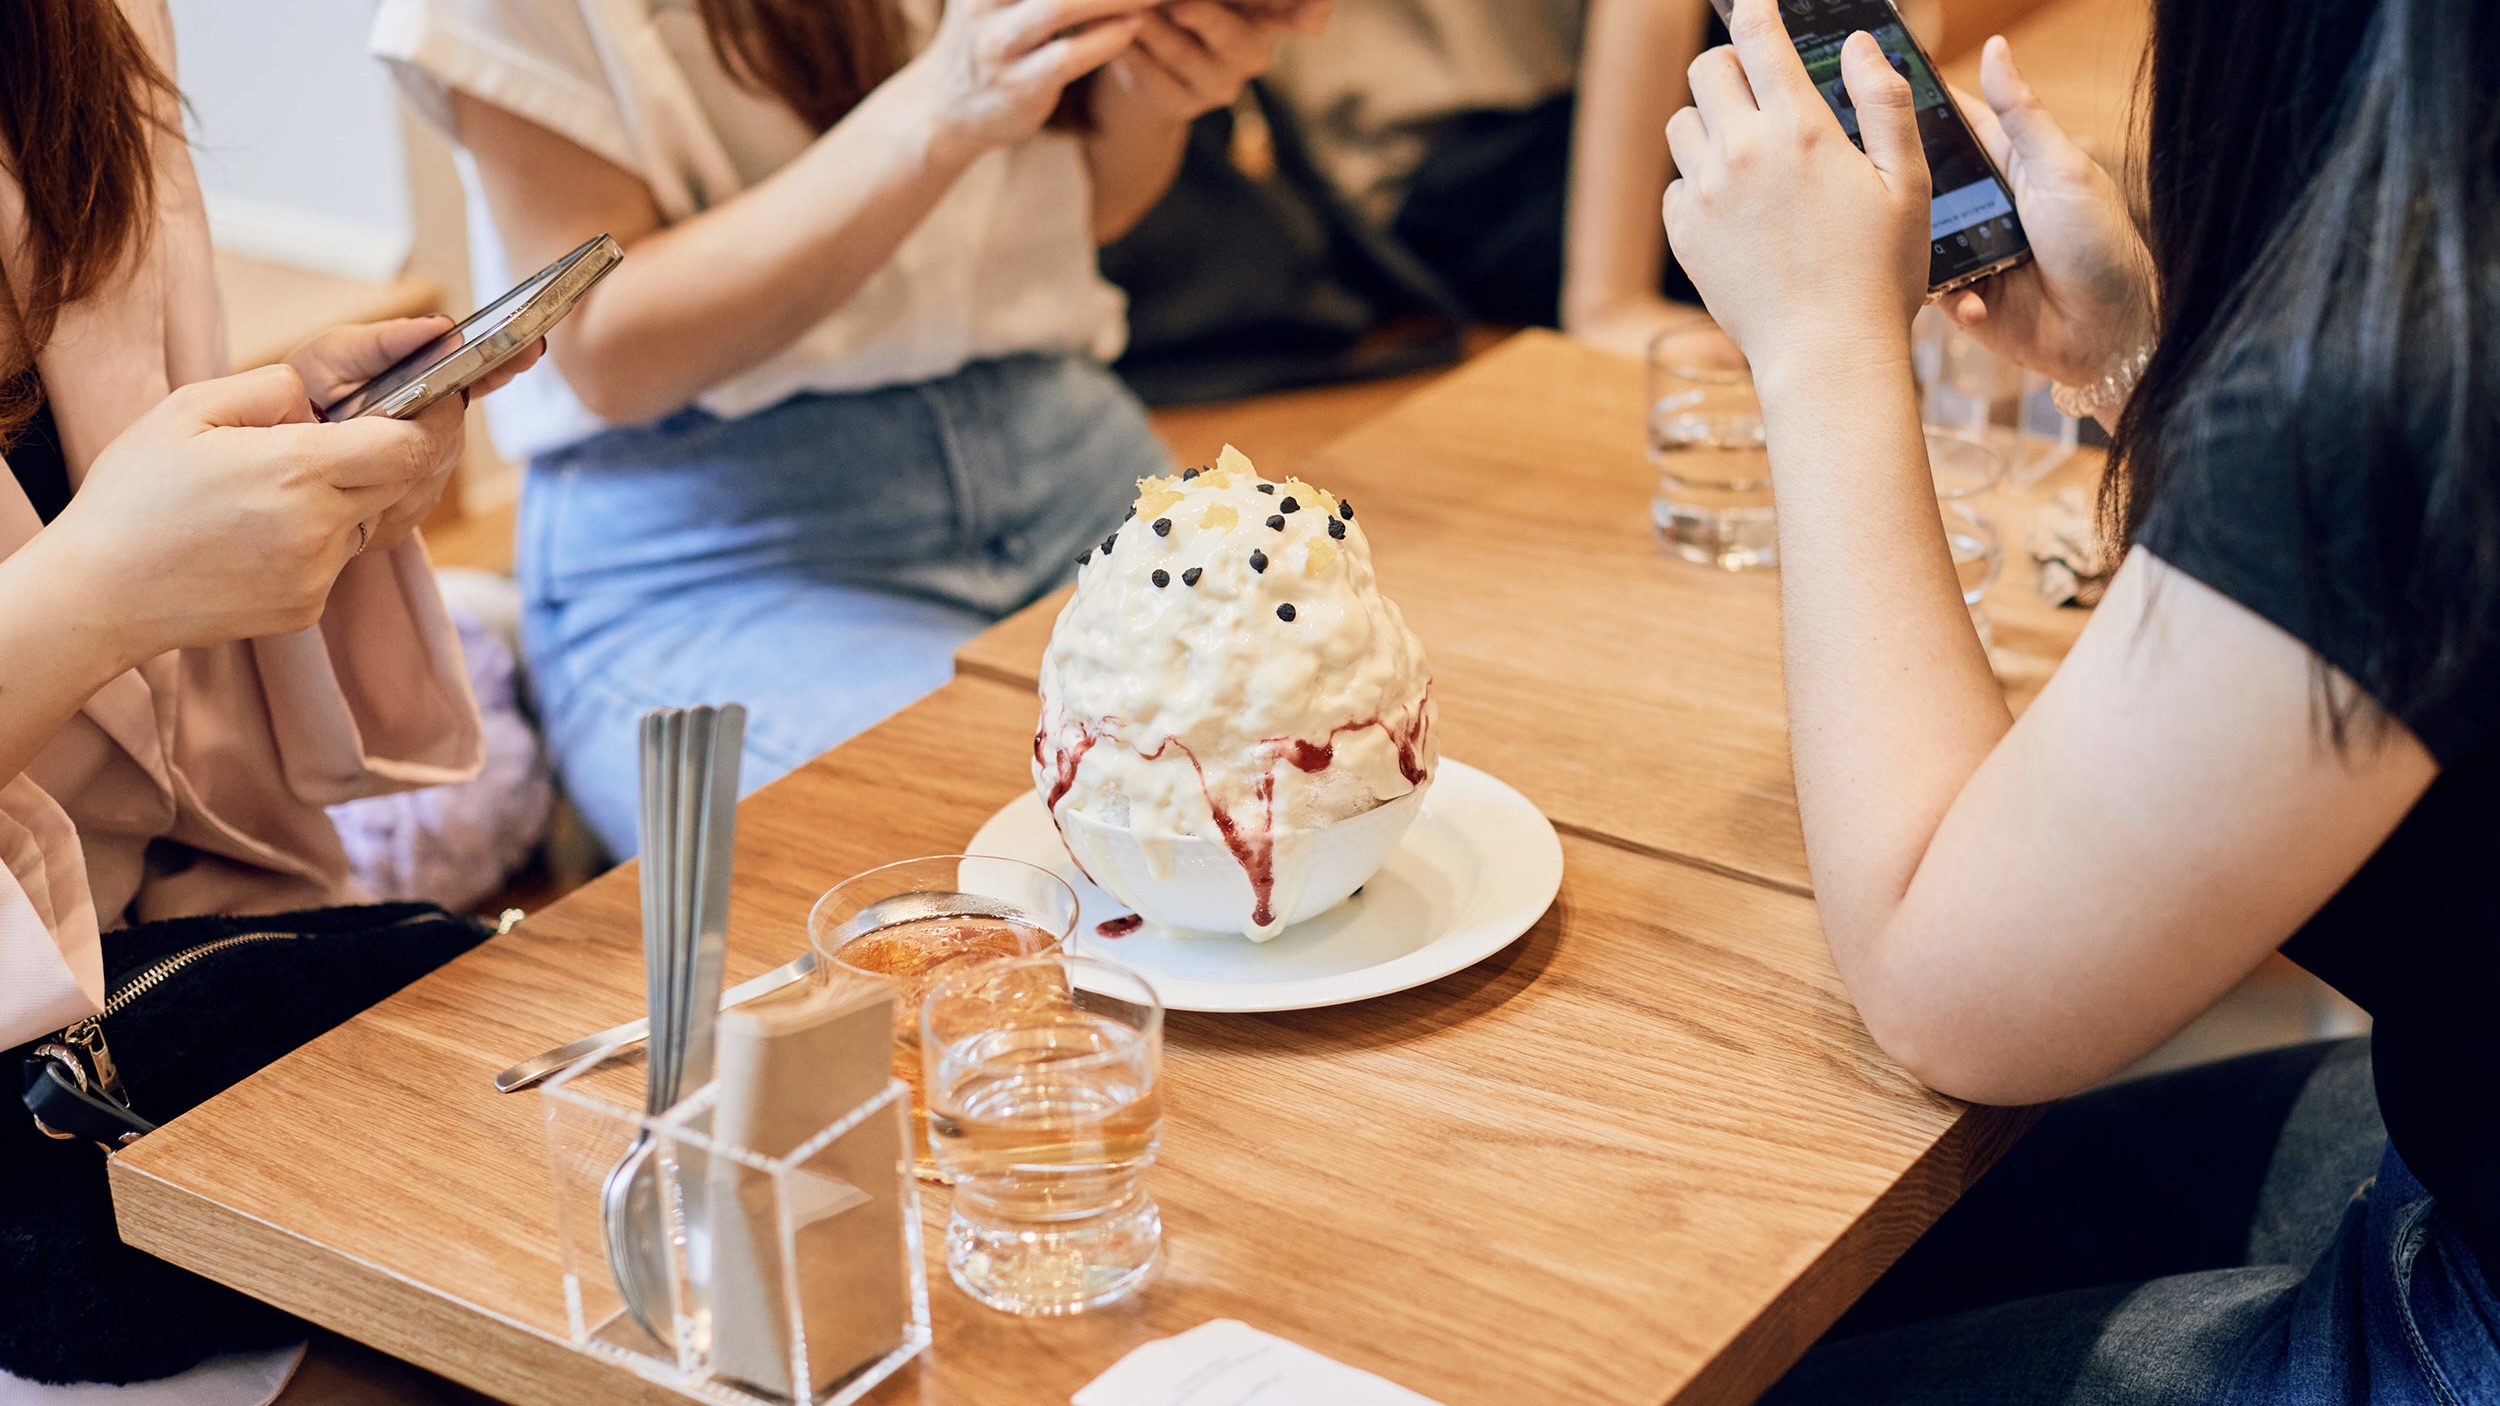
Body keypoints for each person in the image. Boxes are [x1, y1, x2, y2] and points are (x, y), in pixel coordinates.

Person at [1663, 0, 2498, 1399]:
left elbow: (1952, 992)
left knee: (1721, 1358)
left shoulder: (2410, 374)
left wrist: (1818, 343)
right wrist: (2144, 364)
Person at [371, 0, 1326, 859]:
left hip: (1065, 440)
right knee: (1052, 862)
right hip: (722, 546)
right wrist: (940, 105)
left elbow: (1090, 200)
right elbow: (604, 346)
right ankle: (565, 689)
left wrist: (1163, 78)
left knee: (1325, 771)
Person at [2, 0, 538, 1399]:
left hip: (139, 951)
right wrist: (89, 598)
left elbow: (110, 504)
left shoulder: (93, 30)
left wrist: (279, 460)